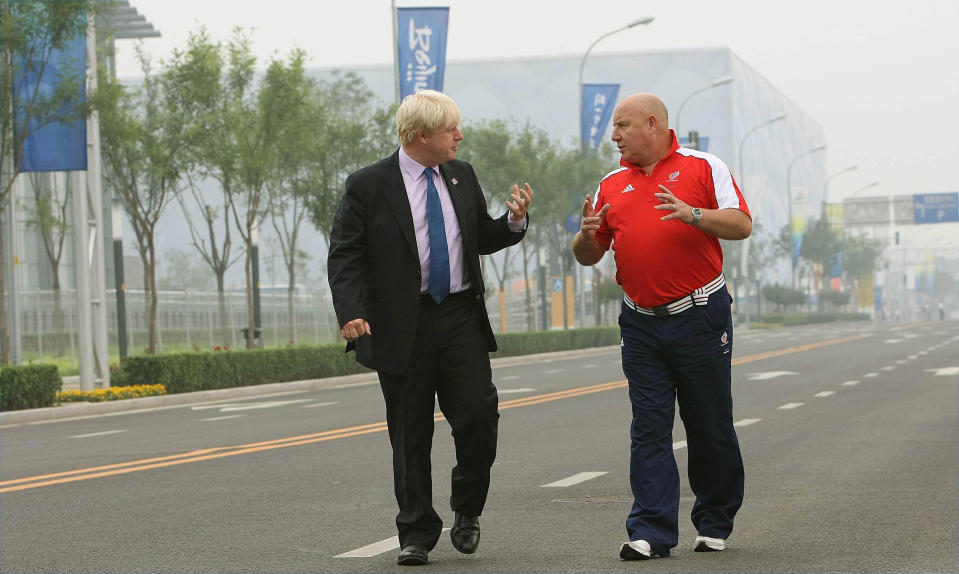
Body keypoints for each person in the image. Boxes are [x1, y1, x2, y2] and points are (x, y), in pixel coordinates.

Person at [327, 90, 532, 566]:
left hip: (459, 315)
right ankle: (416, 531)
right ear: (422, 136)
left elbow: (479, 234)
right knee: (410, 431)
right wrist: (351, 312)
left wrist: (514, 222)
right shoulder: (368, 185)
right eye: (451, 130)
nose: (460, 136)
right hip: (401, 325)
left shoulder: (461, 175)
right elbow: (345, 255)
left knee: (480, 416)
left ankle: (468, 508)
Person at [572, 92, 752, 560]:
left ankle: (714, 519)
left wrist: (693, 215)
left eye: (623, 126)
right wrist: (586, 235)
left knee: (708, 423)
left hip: (700, 316)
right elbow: (590, 254)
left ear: (653, 124)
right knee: (648, 427)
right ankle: (651, 531)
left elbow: (740, 224)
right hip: (640, 322)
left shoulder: (703, 167)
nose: (614, 136)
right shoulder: (611, 184)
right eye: (613, 127)